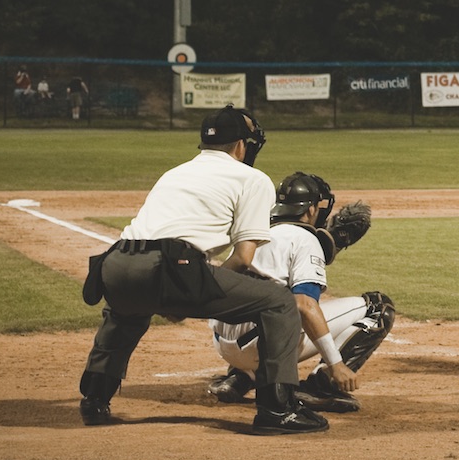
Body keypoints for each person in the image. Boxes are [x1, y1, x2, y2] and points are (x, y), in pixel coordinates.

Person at [75, 106, 328, 434]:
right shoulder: (252, 179)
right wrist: (190, 293)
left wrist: (177, 294)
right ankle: (278, 409)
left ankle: (94, 399)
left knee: (126, 314)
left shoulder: (175, 172)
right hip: (168, 268)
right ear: (241, 145)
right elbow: (244, 257)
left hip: (116, 264)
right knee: (278, 302)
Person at [205, 172, 394, 414]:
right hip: (261, 348)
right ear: (311, 209)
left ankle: (240, 378)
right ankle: (321, 386)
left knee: (263, 298)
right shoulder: (305, 239)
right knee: (378, 308)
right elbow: (304, 305)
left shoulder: (256, 230)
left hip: (223, 344)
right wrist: (336, 364)